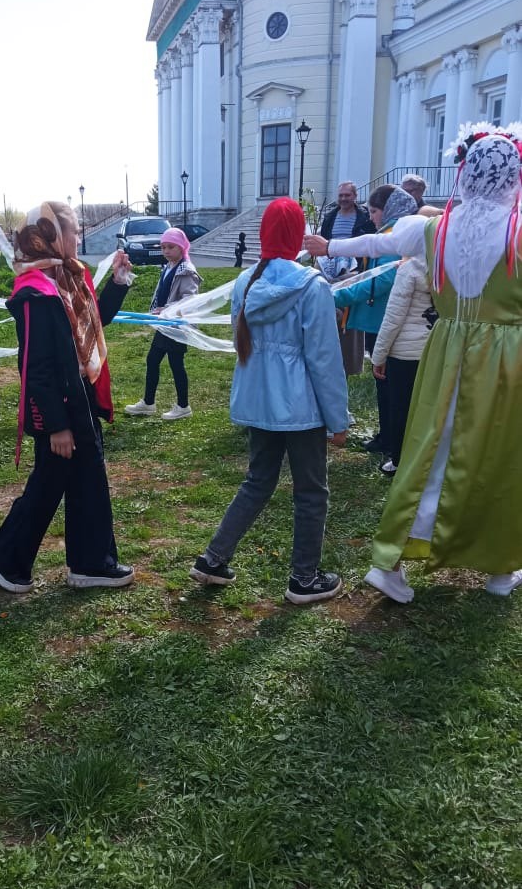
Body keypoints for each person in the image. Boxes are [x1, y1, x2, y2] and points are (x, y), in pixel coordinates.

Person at [308, 128, 522, 603]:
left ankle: (392, 560)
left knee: (432, 448)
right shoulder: (517, 231)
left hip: (444, 351)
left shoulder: (432, 228)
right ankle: (499, 566)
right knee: (501, 455)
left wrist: (328, 248)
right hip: (506, 362)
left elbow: (378, 243)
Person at [190, 197, 349, 604]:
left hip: (259, 403)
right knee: (312, 491)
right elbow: (325, 359)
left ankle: (213, 558)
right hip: (301, 410)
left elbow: (242, 339)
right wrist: (338, 419)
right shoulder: (313, 286)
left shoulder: (245, 282)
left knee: (258, 481)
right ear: (299, 234)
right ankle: (304, 578)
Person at [0, 201, 134, 594]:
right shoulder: (36, 292)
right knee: (50, 484)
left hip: (76, 395)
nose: (78, 237)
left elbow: (92, 323)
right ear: (49, 237)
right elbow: (37, 367)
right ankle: (6, 556)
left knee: (86, 480)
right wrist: (56, 426)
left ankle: (90, 563)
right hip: (61, 406)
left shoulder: (66, 278)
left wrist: (116, 284)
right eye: (73, 231)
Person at [325, 185, 419, 459]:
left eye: (375, 211)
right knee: (383, 382)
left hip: (388, 321)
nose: (373, 217)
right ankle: (385, 434)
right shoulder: (393, 232)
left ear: (387, 210)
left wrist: (336, 294)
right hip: (380, 320)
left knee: (391, 383)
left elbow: (379, 281)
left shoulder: (396, 236)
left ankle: (393, 442)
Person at [369, 247, 436, 475]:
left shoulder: (410, 268)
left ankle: (398, 459)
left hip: (405, 352)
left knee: (401, 407)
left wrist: (379, 355)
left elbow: (393, 318)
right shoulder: (450, 267)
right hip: (436, 346)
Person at [124, 227, 202, 421]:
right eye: (164, 247)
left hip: (176, 325)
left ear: (182, 247)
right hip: (165, 324)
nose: (166, 251)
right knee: (154, 361)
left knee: (175, 364)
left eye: (171, 247)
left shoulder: (187, 271)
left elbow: (190, 299)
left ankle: (183, 406)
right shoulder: (167, 267)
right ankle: (149, 403)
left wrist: (167, 308)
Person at [320, 180, 376, 380]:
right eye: (341, 195)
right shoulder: (330, 217)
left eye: (347, 195)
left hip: (355, 271)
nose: (343, 199)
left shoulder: (364, 218)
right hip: (331, 270)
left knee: (349, 315)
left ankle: (350, 361)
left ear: (355, 196)